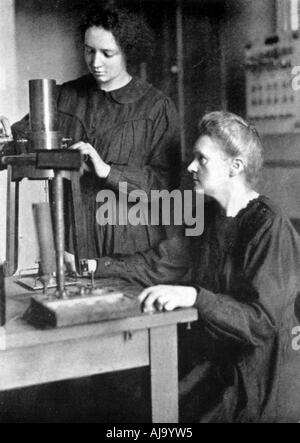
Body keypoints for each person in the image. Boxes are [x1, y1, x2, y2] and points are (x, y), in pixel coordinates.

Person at [83, 111, 300, 422]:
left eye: (202, 159)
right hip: (219, 367)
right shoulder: (208, 216)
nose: (190, 167)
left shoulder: (268, 224)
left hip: (259, 383)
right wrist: (93, 265)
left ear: (234, 166)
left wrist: (194, 297)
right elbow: (159, 263)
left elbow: (260, 322)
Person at [3, 4, 181, 258]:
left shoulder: (156, 108)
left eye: (107, 53)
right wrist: (8, 142)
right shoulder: (62, 97)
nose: (95, 62)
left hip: (130, 248)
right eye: (89, 51)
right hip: (73, 246)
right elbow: (19, 147)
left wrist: (107, 171)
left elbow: (166, 188)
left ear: (128, 52)